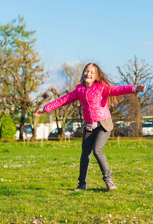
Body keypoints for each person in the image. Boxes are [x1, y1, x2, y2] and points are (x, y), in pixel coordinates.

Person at [34, 63, 146, 191]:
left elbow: (117, 90)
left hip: (103, 124)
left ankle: (109, 182)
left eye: (92, 72)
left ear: (96, 76)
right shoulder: (79, 90)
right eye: (86, 71)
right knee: (85, 155)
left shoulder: (101, 87)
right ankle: (82, 184)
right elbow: (63, 100)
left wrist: (135, 88)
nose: (88, 74)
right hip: (89, 126)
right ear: (83, 74)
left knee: (97, 150)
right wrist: (44, 109)